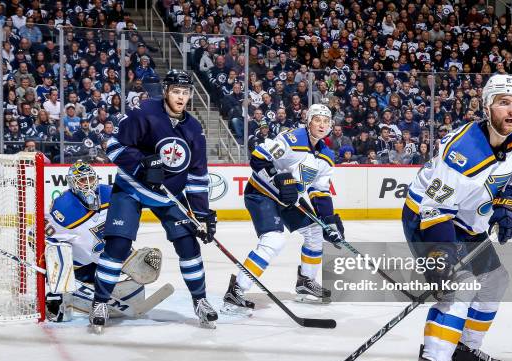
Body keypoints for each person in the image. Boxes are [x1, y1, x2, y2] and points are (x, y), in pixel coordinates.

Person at [402, 74, 512, 361]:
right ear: (486, 106)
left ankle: (464, 351)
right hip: (430, 218)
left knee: (494, 281)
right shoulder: (461, 152)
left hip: (469, 221)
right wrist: (441, 259)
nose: (511, 111)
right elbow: (433, 210)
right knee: (458, 287)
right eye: (503, 103)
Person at [97, 70, 218, 331]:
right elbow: (113, 146)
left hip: (168, 195)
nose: (181, 97)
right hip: (130, 188)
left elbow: (197, 177)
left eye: (185, 93)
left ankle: (201, 302)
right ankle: (101, 301)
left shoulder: (194, 130)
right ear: (166, 91)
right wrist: (141, 165)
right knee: (117, 246)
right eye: (176, 91)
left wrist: (202, 214)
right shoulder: (143, 112)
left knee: (189, 246)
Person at [221, 104, 344, 315]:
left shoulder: (327, 155)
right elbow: (258, 158)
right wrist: (276, 177)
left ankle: (306, 281)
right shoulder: (292, 139)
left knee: (315, 232)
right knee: (274, 241)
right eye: (317, 120)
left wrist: (330, 221)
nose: (322, 125)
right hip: (261, 193)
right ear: (309, 121)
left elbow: (320, 190)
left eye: (326, 121)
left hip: (289, 200)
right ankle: (236, 291)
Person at [44, 161, 161, 322]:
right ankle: (64, 296)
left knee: (148, 270)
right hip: (82, 266)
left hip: (112, 255)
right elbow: (47, 240)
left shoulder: (109, 193)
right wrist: (51, 271)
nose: (88, 184)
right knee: (57, 252)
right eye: (82, 180)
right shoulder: (63, 208)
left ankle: (116, 290)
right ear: (72, 183)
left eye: (90, 179)